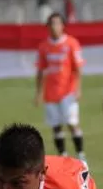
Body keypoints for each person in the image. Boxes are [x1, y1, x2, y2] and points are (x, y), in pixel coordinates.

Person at [34, 13, 86, 161]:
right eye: (51, 24)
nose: (54, 27)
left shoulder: (71, 43)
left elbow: (78, 68)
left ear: (63, 25)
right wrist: (38, 93)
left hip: (68, 92)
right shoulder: (43, 46)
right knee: (56, 126)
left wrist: (78, 88)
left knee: (71, 123)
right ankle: (63, 156)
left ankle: (81, 155)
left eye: (57, 23)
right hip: (51, 93)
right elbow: (40, 70)